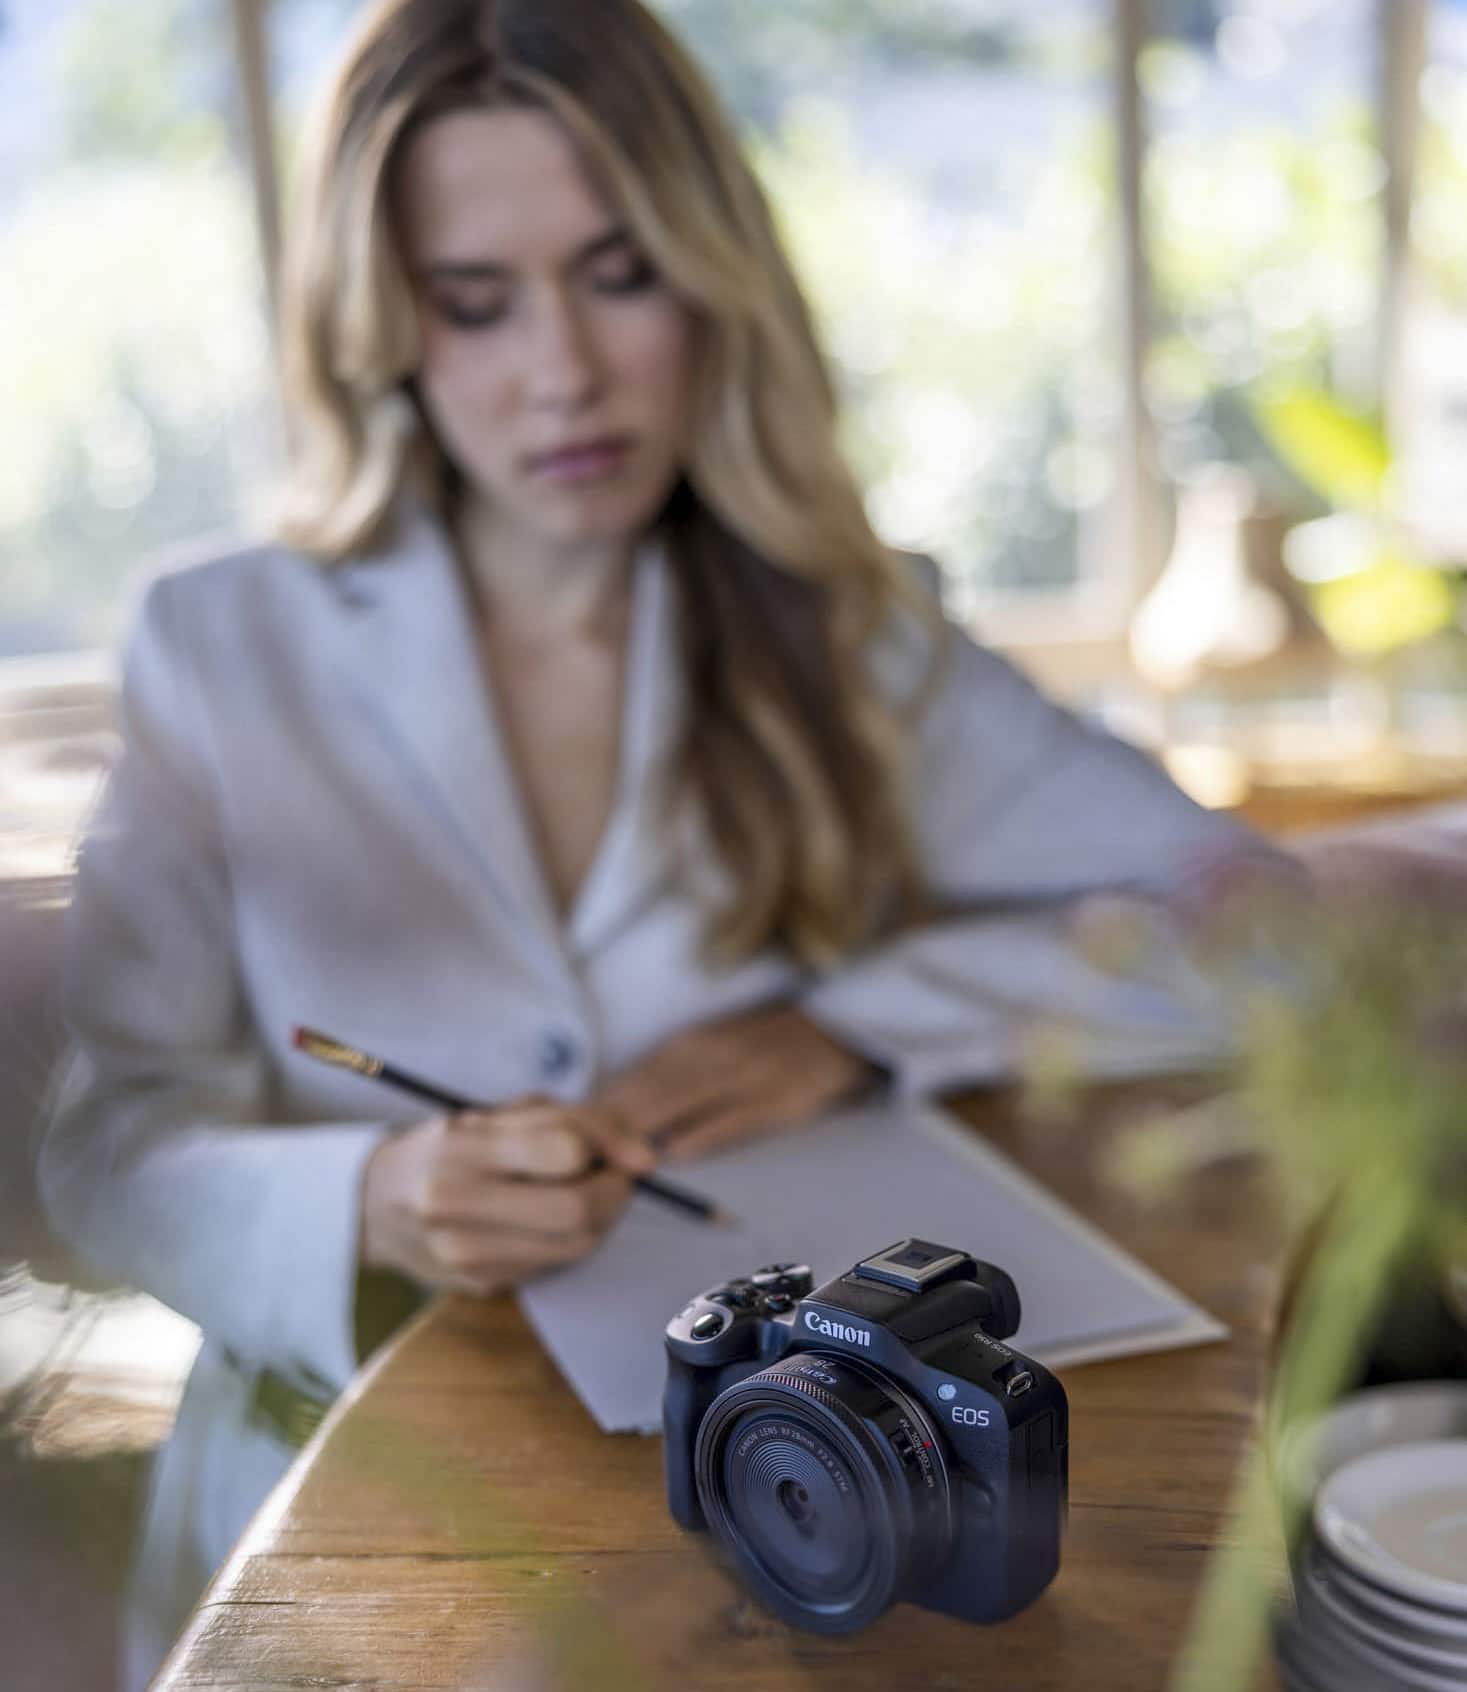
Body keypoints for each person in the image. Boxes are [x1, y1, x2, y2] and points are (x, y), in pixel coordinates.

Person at [38, 1, 1275, 1685]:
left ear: (714, 280)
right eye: (475, 303)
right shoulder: (217, 648)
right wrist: (369, 1200)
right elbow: (100, 1157)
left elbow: (1261, 926)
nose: (562, 372)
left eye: (621, 275)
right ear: (385, 324)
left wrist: (856, 1028)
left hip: (804, 1525)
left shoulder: (855, 637)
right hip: (351, 1521)